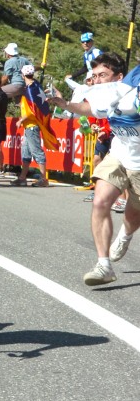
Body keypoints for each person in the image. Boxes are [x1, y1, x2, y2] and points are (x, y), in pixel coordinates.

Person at [48, 53, 137, 286]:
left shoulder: (133, 92)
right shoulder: (105, 97)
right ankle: (104, 265)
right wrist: (66, 104)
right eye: (94, 76)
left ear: (119, 77)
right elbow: (88, 109)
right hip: (118, 154)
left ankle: (125, 236)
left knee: (134, 213)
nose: (96, 81)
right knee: (100, 202)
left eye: (102, 75)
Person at [9, 65, 49, 188]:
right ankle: (22, 178)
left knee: (36, 151)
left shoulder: (31, 89)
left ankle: (43, 179)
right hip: (29, 126)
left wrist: (21, 120)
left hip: (31, 125)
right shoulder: (35, 86)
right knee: (25, 152)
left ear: (22, 75)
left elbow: (33, 111)